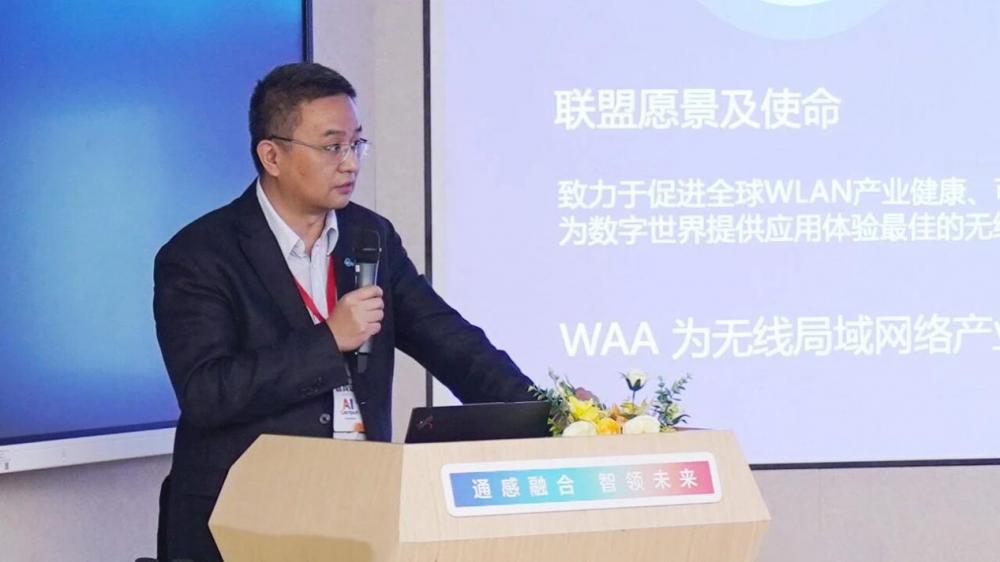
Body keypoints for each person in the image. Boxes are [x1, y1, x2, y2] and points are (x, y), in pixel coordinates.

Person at [153, 62, 536, 561]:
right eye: (332, 147)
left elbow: (450, 340)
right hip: (240, 520)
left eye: (357, 144)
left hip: (352, 510)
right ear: (271, 155)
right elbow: (208, 392)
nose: (351, 163)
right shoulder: (200, 254)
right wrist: (328, 341)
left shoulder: (369, 236)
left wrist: (549, 413)